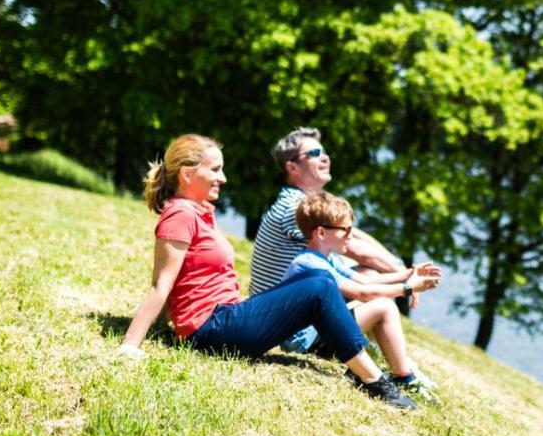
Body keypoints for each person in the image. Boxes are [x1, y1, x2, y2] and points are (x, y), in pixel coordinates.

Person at [117, 134, 416, 410]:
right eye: (215, 170)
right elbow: (162, 284)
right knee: (321, 288)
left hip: (227, 318)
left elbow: (185, 280)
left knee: (320, 279)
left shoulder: (199, 211)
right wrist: (131, 345)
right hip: (212, 329)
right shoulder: (180, 215)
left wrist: (163, 327)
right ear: (186, 173)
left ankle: (366, 372)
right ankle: (375, 381)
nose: (223, 178)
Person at [250, 128, 440, 394]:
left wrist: (402, 271)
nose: (325, 157)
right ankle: (402, 372)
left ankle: (382, 351)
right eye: (314, 153)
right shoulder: (295, 209)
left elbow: (356, 240)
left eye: (324, 150)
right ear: (292, 166)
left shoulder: (309, 208)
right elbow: (358, 251)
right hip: (289, 321)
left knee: (369, 275)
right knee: (380, 300)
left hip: (295, 311)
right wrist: (407, 282)